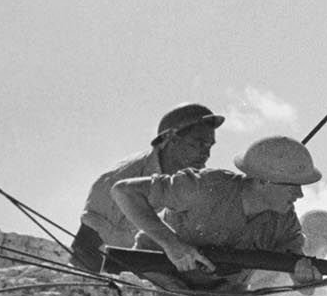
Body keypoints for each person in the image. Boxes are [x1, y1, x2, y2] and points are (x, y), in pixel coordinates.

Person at [109, 135, 322, 296]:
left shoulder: (284, 222)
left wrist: (306, 278)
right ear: (263, 182)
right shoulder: (206, 186)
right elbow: (124, 192)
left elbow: (301, 277)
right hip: (160, 280)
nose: (299, 195)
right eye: (292, 186)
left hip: (217, 295)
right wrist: (173, 245)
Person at [70, 103, 225, 272]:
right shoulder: (118, 179)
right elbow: (86, 249)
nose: (206, 153)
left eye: (210, 146)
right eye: (199, 144)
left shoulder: (197, 182)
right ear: (171, 139)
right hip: (115, 277)